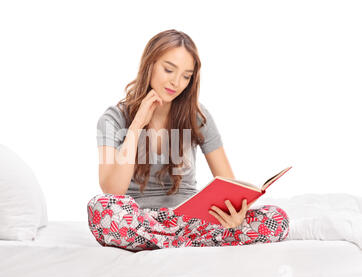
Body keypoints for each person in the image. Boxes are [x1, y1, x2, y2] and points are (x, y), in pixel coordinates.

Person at [87, 29, 289, 251]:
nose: (176, 82)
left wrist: (236, 213)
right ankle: (192, 243)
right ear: (149, 64)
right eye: (169, 69)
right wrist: (136, 126)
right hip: (139, 219)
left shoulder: (197, 116)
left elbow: (228, 183)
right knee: (101, 208)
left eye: (186, 76)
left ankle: (164, 244)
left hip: (190, 220)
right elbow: (112, 191)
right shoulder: (112, 119)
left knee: (276, 219)